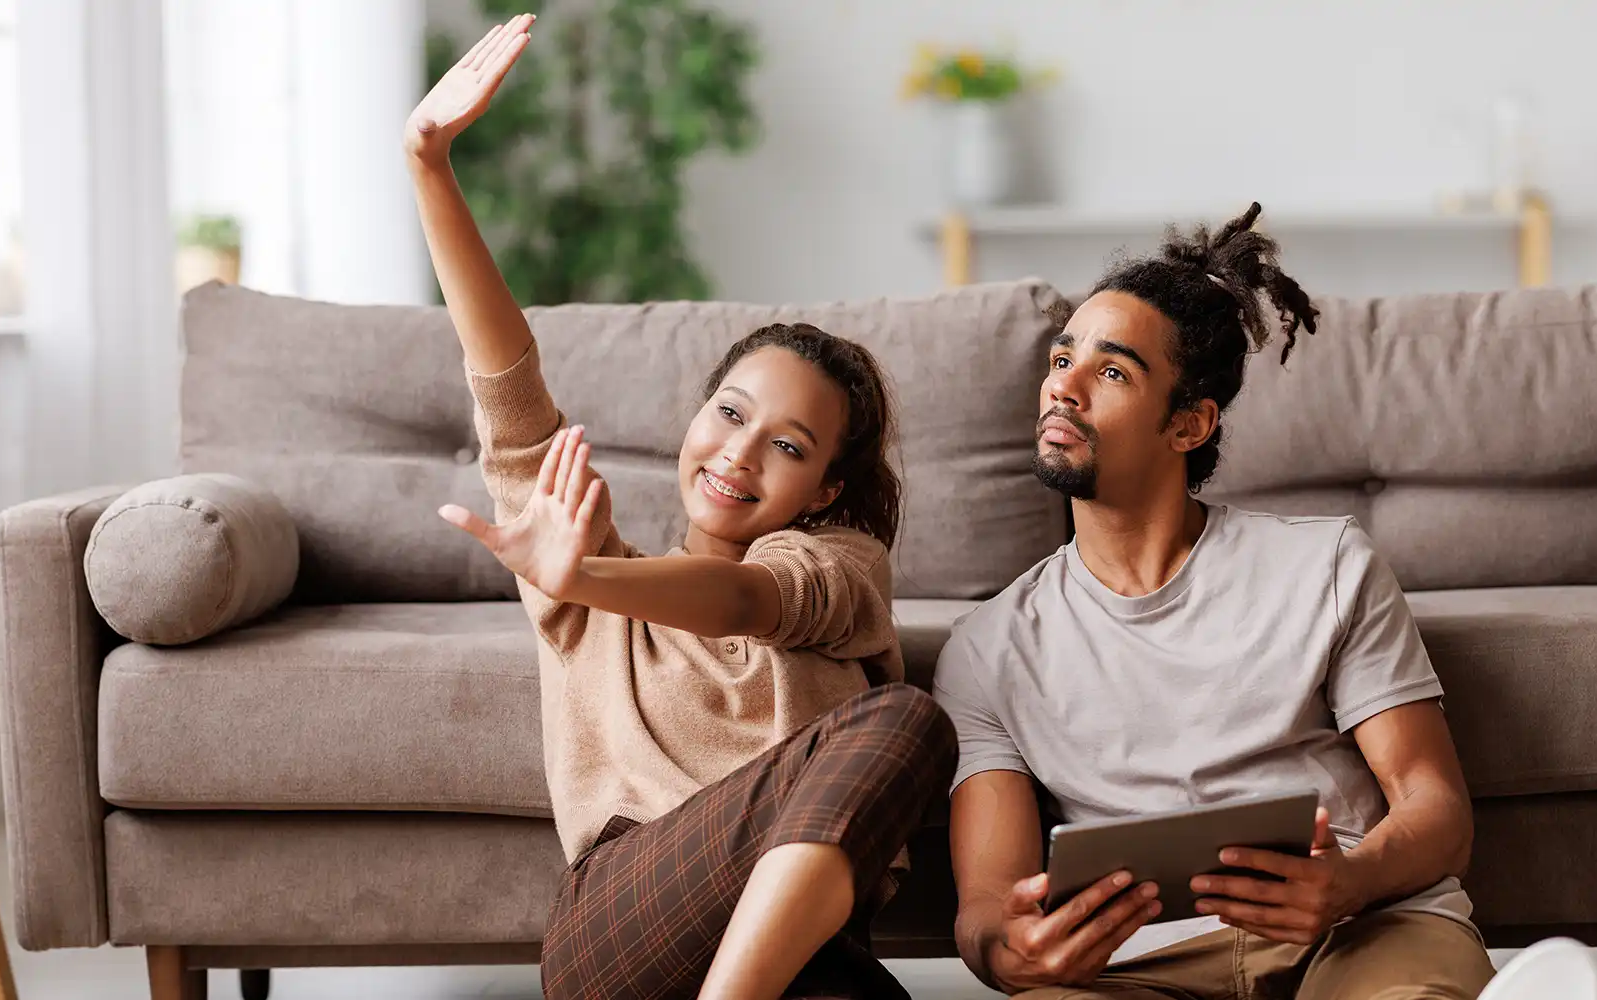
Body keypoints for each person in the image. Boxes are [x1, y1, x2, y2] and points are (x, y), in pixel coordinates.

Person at [404, 15, 954, 1000]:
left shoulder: (838, 569)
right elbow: (506, 382)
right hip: (620, 922)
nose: (739, 454)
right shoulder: (583, 570)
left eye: (786, 446)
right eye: (729, 414)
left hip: (789, 949)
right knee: (905, 721)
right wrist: (430, 170)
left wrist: (585, 573)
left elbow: (747, 601)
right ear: (696, 417)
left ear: (825, 486)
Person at [935, 203, 1510, 999]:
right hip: (1135, 967)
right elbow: (986, 905)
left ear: (1189, 425)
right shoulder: (986, 647)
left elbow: (1437, 810)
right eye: (1062, 358)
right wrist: (1009, 949)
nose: (1063, 387)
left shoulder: (1324, 565)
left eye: (1110, 372)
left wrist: (1347, 882)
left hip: (1359, 928)